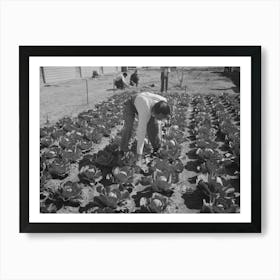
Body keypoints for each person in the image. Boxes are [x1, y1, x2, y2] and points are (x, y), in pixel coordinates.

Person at [120, 92, 171, 166]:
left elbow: (167, 114)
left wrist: (168, 120)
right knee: (129, 126)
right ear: (155, 113)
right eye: (159, 117)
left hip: (145, 102)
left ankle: (157, 148)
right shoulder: (145, 111)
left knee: (154, 126)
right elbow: (141, 132)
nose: (160, 120)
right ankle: (122, 149)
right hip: (131, 104)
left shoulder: (164, 101)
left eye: (161, 118)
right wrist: (139, 155)